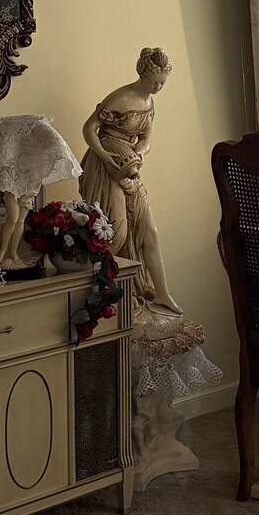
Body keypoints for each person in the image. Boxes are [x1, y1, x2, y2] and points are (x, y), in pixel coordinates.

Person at [79, 47, 182, 316]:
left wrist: (140, 152)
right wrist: (104, 155)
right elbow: (89, 128)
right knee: (117, 232)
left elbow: (147, 138)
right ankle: (108, 293)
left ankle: (161, 293)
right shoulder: (121, 98)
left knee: (149, 230)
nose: (158, 88)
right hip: (106, 166)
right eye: (154, 82)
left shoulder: (149, 103)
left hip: (129, 165)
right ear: (142, 75)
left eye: (162, 83)